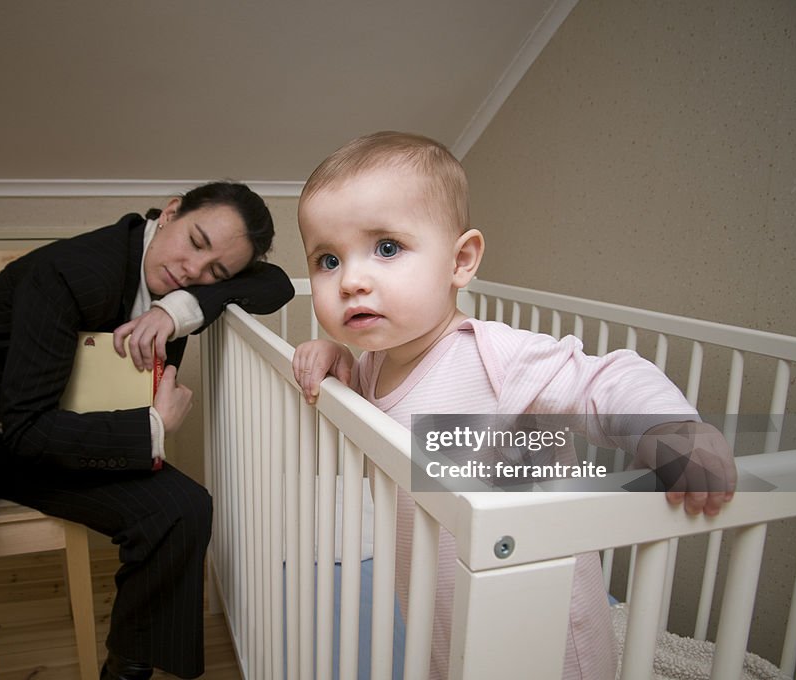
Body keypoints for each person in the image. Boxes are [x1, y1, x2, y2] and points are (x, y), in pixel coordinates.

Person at [290, 132, 736, 679]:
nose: (352, 281)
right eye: (328, 260)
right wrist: (335, 357)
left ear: (462, 260)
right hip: (438, 599)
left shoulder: (494, 356)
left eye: (386, 248)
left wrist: (668, 427)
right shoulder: (376, 364)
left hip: (542, 620)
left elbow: (602, 378)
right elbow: (369, 420)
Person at [0, 182, 295, 680]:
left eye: (217, 272)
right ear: (171, 212)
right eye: (196, 241)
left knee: (182, 508)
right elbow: (27, 430)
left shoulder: (180, 291)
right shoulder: (73, 270)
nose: (195, 272)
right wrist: (152, 427)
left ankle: (128, 671)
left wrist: (177, 310)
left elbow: (276, 284)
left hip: (46, 432)